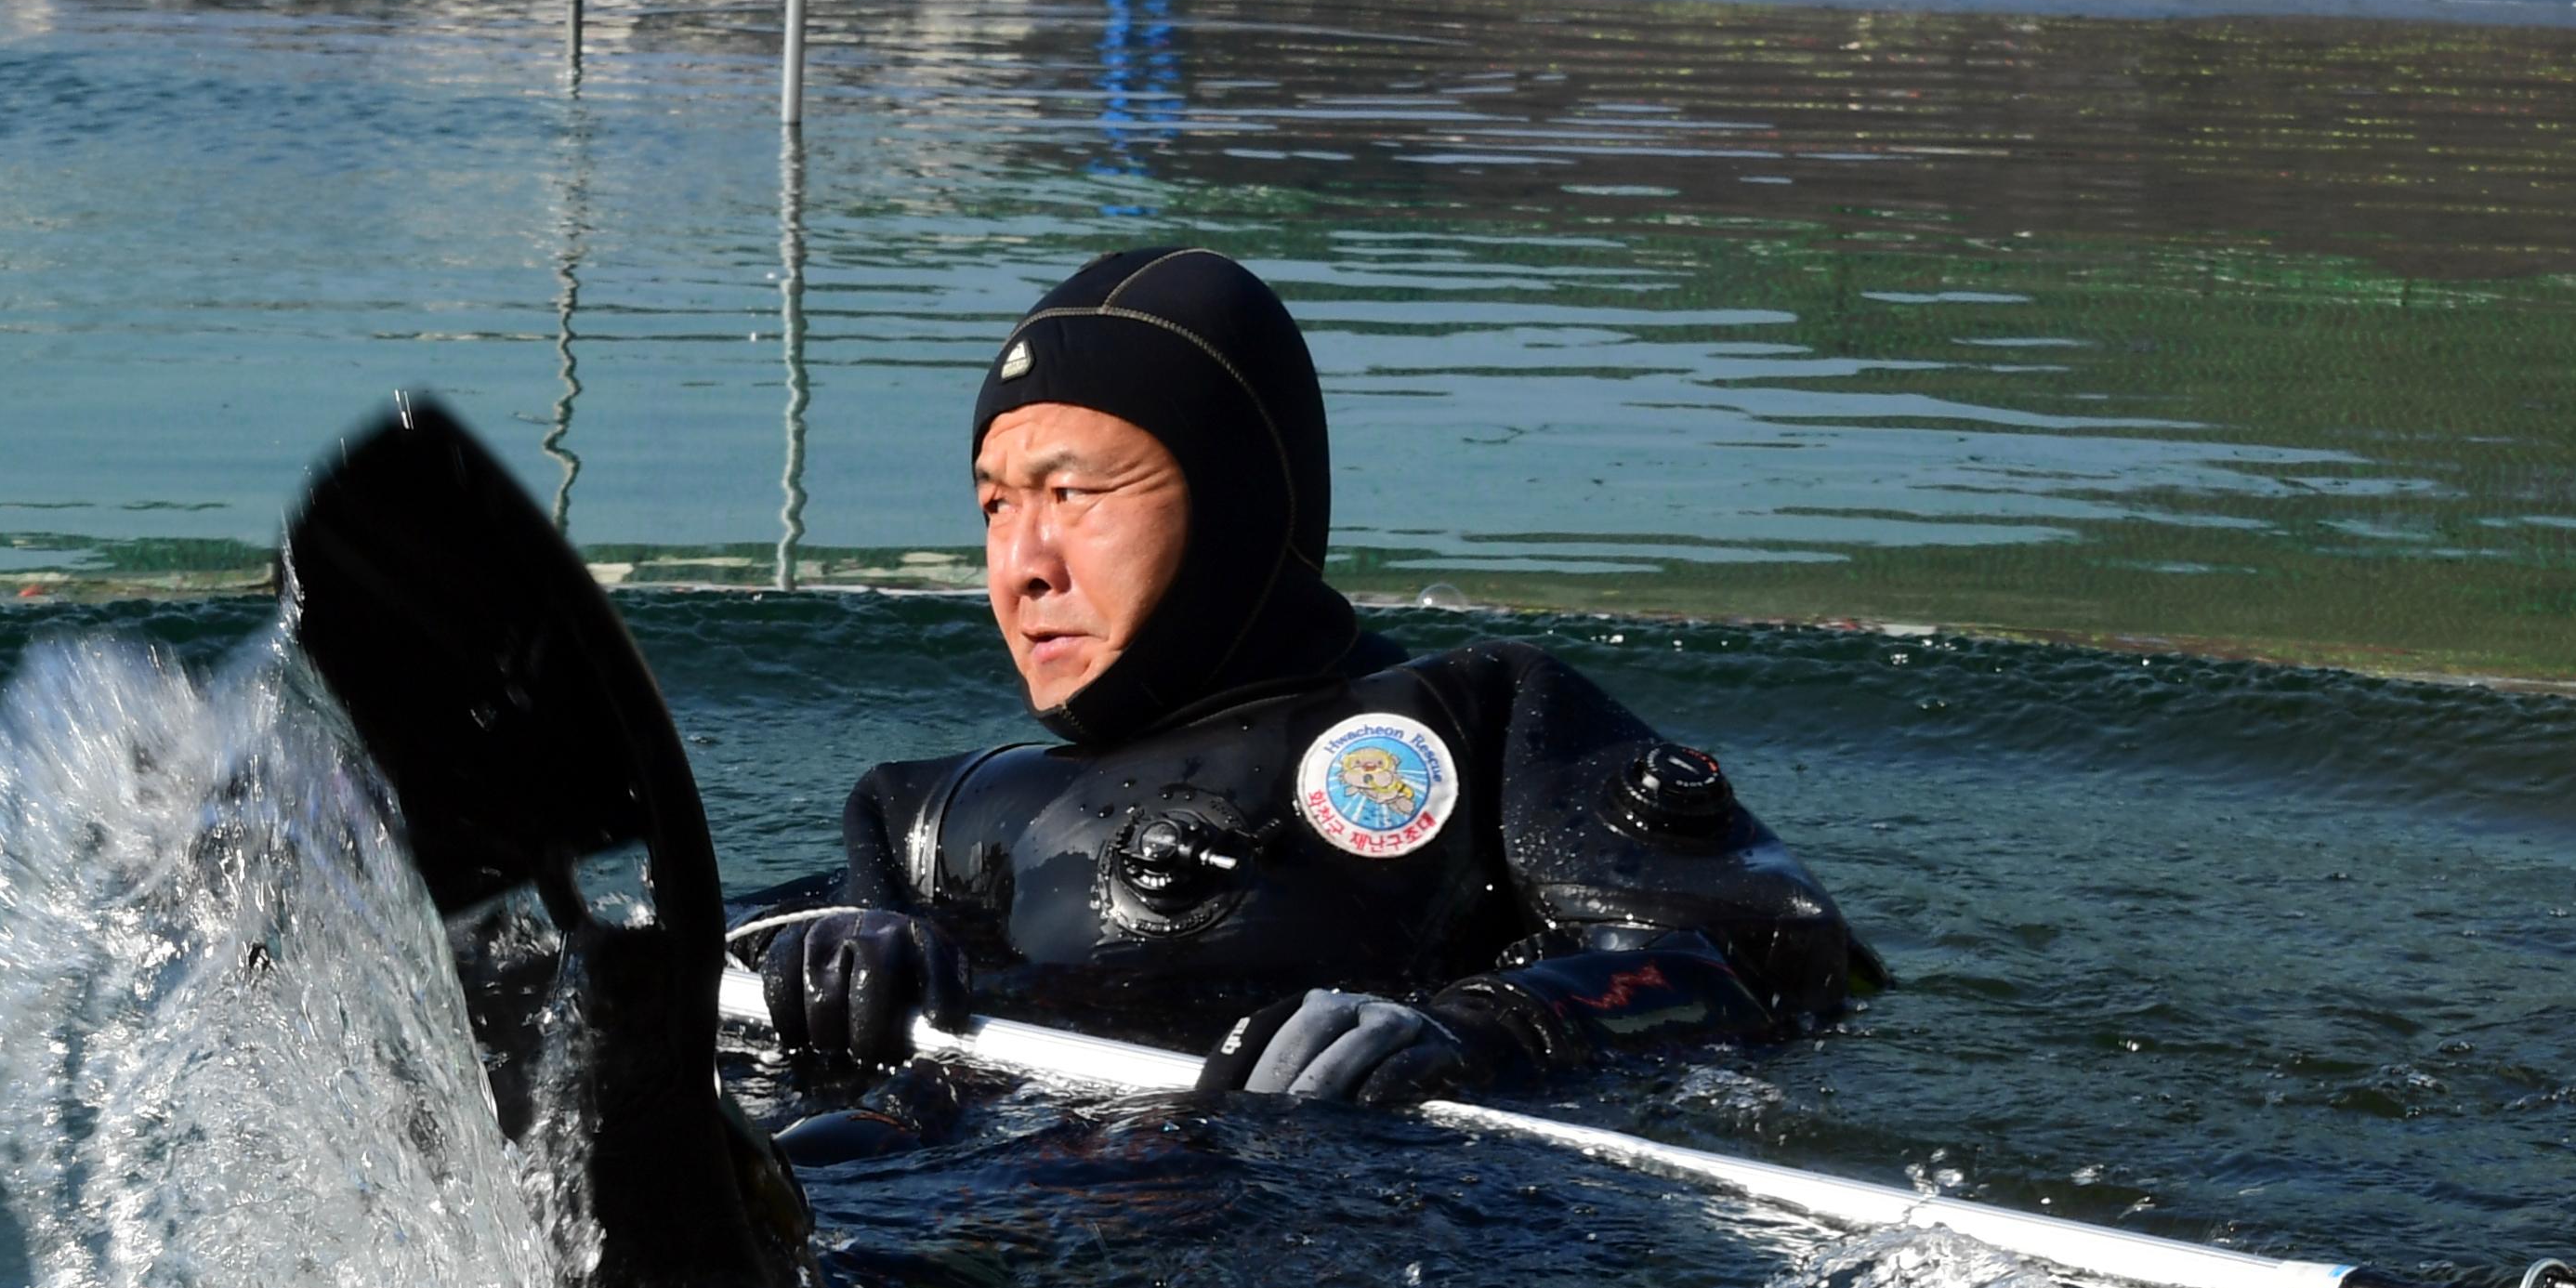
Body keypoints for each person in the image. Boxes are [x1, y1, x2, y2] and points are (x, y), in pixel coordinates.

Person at [749, 246, 1880, 1110]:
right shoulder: (944, 816)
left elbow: (1766, 961)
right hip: (980, 1210)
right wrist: (823, 950)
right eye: (996, 504)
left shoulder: (1476, 722)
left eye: (1072, 495)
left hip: (1330, 1225)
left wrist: (1479, 1032)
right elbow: (695, 950)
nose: (1022, 565)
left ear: (1237, 503)